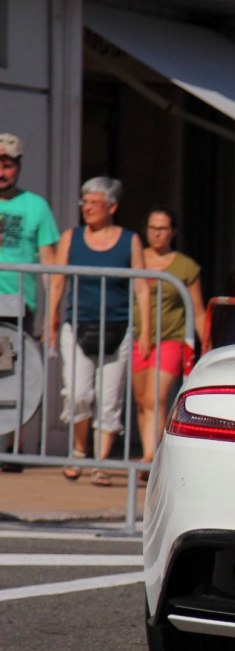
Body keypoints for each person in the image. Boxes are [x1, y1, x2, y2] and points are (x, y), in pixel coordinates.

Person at [46, 177, 148, 487]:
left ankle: (100, 463)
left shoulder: (129, 240)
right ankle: (79, 452)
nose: (87, 208)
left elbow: (142, 286)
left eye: (94, 203)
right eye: (84, 202)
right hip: (78, 326)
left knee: (109, 399)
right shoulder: (70, 237)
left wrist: (146, 332)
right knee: (77, 393)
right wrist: (50, 322)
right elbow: (58, 281)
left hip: (118, 327)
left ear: (112, 207)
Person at [0, 133, 59, 472]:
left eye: (8, 164)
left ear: (18, 166)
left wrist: (52, 314)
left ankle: (16, 449)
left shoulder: (36, 206)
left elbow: (51, 264)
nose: (2, 171)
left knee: (17, 373)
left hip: (20, 302)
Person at [132, 207, 208, 469]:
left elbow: (197, 310)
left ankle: (150, 459)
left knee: (156, 398)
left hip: (171, 338)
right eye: (152, 228)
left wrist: (206, 345)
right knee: (142, 400)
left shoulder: (185, 266)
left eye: (163, 228)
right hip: (138, 339)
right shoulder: (137, 258)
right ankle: (148, 453)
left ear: (173, 232)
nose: (157, 234)